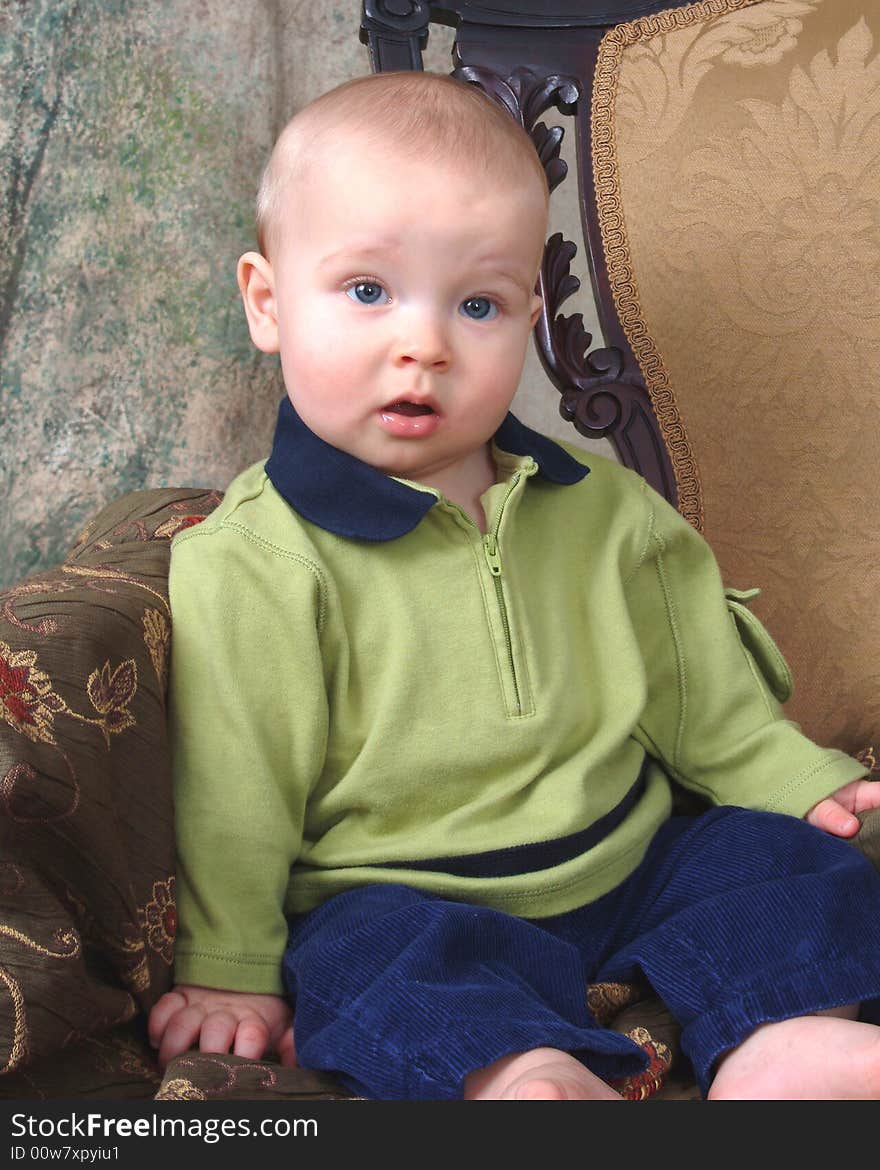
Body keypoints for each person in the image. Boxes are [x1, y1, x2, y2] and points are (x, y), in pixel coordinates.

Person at [148, 70, 880, 1100]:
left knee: (782, 866)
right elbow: (236, 794)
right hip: (410, 896)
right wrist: (228, 965)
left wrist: (796, 783)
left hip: (628, 868)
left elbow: (699, 700)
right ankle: (524, 1077)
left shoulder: (605, 512)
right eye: (367, 291)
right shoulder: (255, 561)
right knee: (361, 964)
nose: (423, 345)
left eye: (478, 304)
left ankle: (784, 1044)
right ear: (267, 303)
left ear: (528, 318)